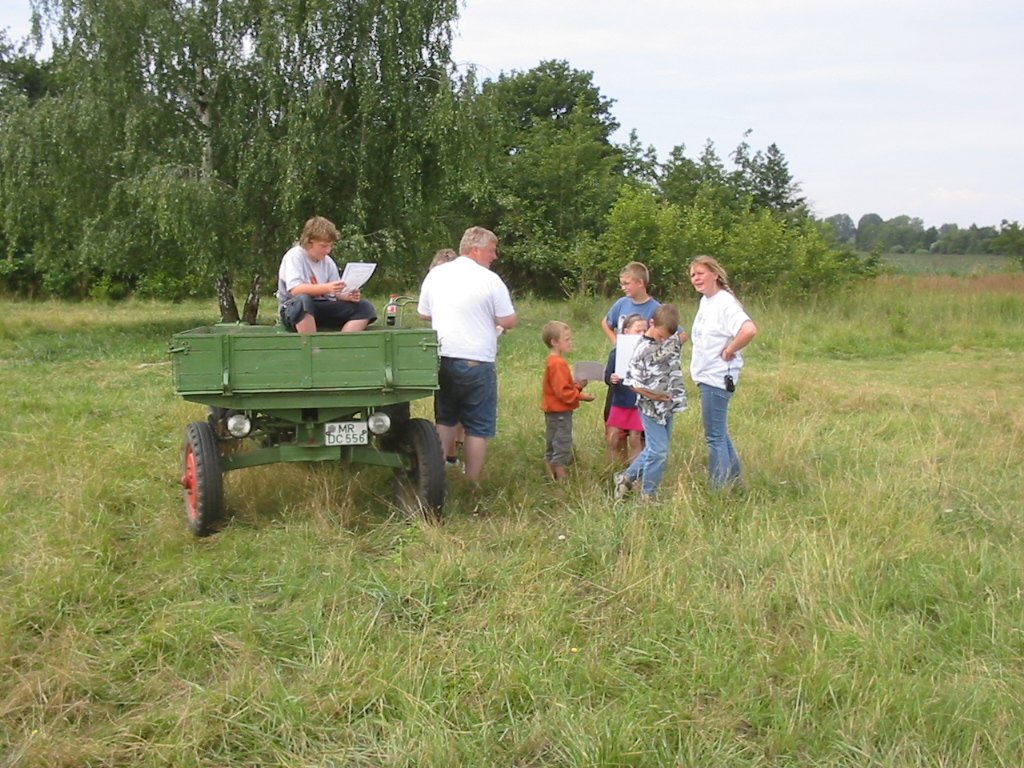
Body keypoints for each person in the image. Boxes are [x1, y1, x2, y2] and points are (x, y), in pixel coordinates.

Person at [417, 226, 518, 483]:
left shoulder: (437, 275)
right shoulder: (489, 280)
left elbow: (424, 313)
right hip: (477, 361)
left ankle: (436, 479)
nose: (494, 257)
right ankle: (471, 482)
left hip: (442, 358)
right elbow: (508, 320)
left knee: (446, 418)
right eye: (491, 251)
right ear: (476, 250)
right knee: (478, 427)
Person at [688, 255, 758, 489]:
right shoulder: (706, 301)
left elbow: (748, 330)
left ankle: (716, 489)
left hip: (716, 378)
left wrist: (730, 349)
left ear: (715, 274)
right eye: (692, 275)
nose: (695, 278)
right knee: (720, 433)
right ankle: (737, 484)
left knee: (714, 437)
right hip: (705, 376)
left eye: (700, 273)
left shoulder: (725, 303)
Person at [614, 304, 687, 502]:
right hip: (651, 406)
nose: (663, 339)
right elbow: (632, 384)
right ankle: (648, 495)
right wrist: (654, 396)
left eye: (667, 336)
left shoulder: (670, 338)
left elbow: (681, 336)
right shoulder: (641, 349)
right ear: (651, 324)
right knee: (659, 451)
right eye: (661, 335)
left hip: (669, 404)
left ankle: (625, 478)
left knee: (656, 449)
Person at [276, 216, 377, 333]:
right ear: (309, 242)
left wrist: (346, 295)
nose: (328, 250)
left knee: (364, 307)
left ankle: (341, 346)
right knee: (303, 301)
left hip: (321, 307)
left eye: (331, 246)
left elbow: (334, 294)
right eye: (323, 246)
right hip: (293, 309)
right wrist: (327, 287)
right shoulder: (295, 256)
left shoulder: (328, 262)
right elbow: (296, 290)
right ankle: (311, 347)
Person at [540, 321, 594, 481]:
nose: (571, 342)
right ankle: (561, 479)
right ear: (554, 342)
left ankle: (550, 477)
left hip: (552, 410)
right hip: (560, 412)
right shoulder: (558, 363)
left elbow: (561, 387)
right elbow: (562, 392)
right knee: (562, 443)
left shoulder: (552, 361)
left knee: (552, 441)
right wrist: (582, 396)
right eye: (567, 339)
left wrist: (577, 387)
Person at [603, 313, 647, 466]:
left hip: (636, 402)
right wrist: (611, 379)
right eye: (638, 330)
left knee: (636, 438)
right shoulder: (616, 352)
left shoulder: (646, 353)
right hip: (619, 400)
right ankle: (612, 470)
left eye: (644, 331)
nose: (642, 334)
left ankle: (634, 474)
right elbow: (607, 375)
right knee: (613, 438)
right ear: (627, 332)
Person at [600, 261, 661, 344]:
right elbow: (605, 323)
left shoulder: (657, 309)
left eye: (626, 283)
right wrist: (616, 343)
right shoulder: (621, 303)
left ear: (640, 283)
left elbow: (680, 335)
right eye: (622, 284)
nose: (623, 287)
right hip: (624, 354)